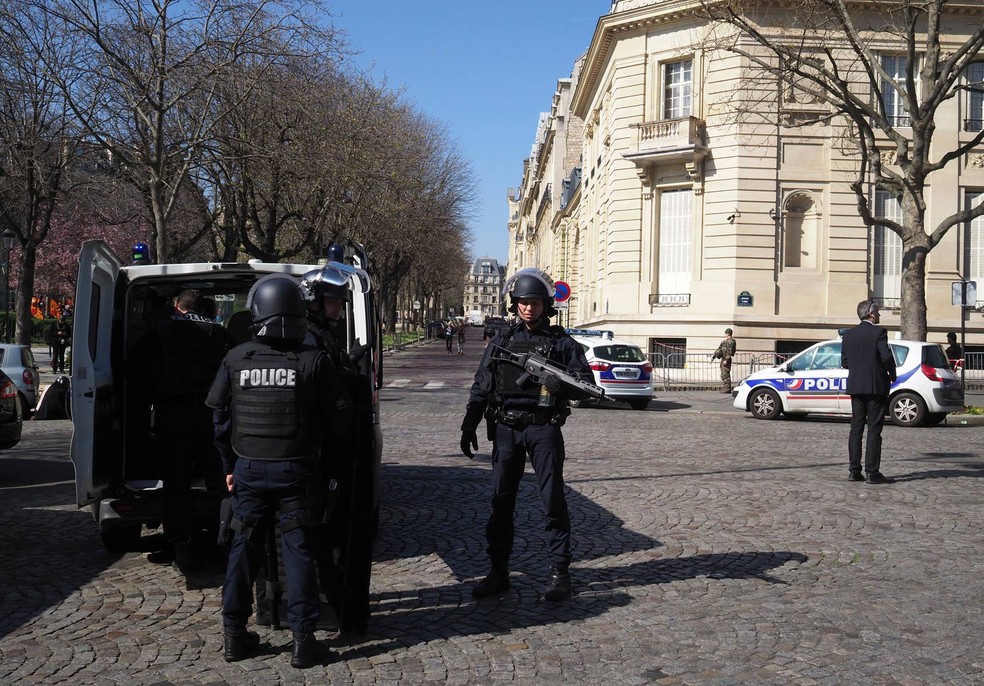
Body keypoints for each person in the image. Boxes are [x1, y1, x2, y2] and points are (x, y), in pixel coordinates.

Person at [207, 274, 351, 668]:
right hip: (298, 471)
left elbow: (220, 420)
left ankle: (234, 635)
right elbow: (340, 420)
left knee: (243, 549)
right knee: (298, 551)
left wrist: (228, 468)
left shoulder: (236, 358)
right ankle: (304, 641)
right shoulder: (313, 360)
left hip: (249, 469)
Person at [459, 268, 593, 602]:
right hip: (506, 428)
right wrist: (468, 423)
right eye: (522, 302)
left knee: (552, 502)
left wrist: (557, 384)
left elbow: (586, 387)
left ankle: (560, 572)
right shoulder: (502, 341)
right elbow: (482, 385)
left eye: (534, 302)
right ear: (514, 305)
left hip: (543, 428)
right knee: (501, 502)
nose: (528, 309)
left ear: (546, 305)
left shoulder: (563, 344)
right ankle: (498, 572)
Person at [133, 289, 234, 574]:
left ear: (178, 307)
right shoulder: (219, 333)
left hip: (172, 414)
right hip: (211, 413)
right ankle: (222, 540)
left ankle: (182, 544)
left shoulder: (161, 331)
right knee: (218, 480)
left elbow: (137, 368)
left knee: (175, 482)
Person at [841, 299, 897, 485]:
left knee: (856, 428)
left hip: (856, 386)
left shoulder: (849, 334)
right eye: (879, 312)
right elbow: (887, 356)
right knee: (874, 429)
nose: (880, 315)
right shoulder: (879, 332)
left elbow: (845, 362)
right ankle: (872, 472)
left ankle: (854, 471)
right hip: (875, 386)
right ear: (871, 314)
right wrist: (891, 373)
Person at [712, 327, 737, 393]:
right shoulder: (725, 341)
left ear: (728, 334)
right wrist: (715, 355)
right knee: (723, 374)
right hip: (723, 358)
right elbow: (720, 349)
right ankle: (725, 387)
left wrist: (726, 359)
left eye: (726, 333)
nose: (725, 334)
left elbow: (730, 351)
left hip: (726, 359)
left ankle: (727, 388)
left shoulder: (731, 341)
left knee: (726, 374)